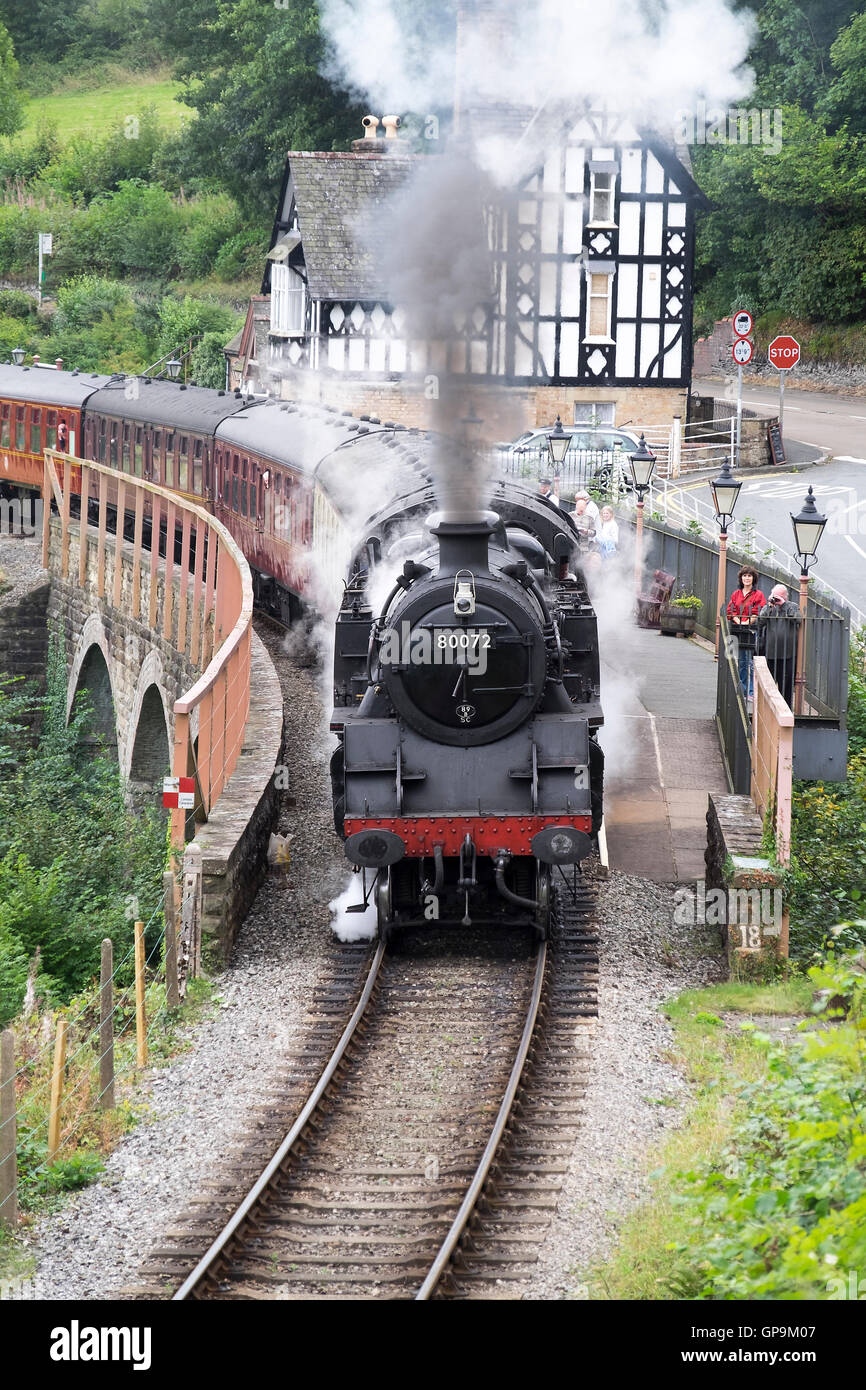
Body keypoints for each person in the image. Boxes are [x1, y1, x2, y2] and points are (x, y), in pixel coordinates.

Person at [757, 584, 801, 707]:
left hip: (788, 654)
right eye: (774, 595)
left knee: (786, 688)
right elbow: (760, 623)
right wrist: (769, 607)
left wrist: (784, 605)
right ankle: (767, 709)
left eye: (779, 596)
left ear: (785, 596)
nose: (776, 598)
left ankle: (785, 710)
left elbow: (798, 619)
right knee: (768, 686)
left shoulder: (792, 606)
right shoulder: (769, 607)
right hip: (771, 653)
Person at [727, 566, 766, 700]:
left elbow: (759, 611)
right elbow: (730, 610)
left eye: (749, 576)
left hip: (751, 630)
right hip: (737, 630)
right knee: (740, 661)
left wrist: (747, 622)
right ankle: (742, 690)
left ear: (753, 578)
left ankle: (751, 691)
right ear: (741, 578)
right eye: (744, 576)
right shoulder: (736, 594)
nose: (747, 578)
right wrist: (738, 620)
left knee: (750, 661)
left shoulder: (758, 594)